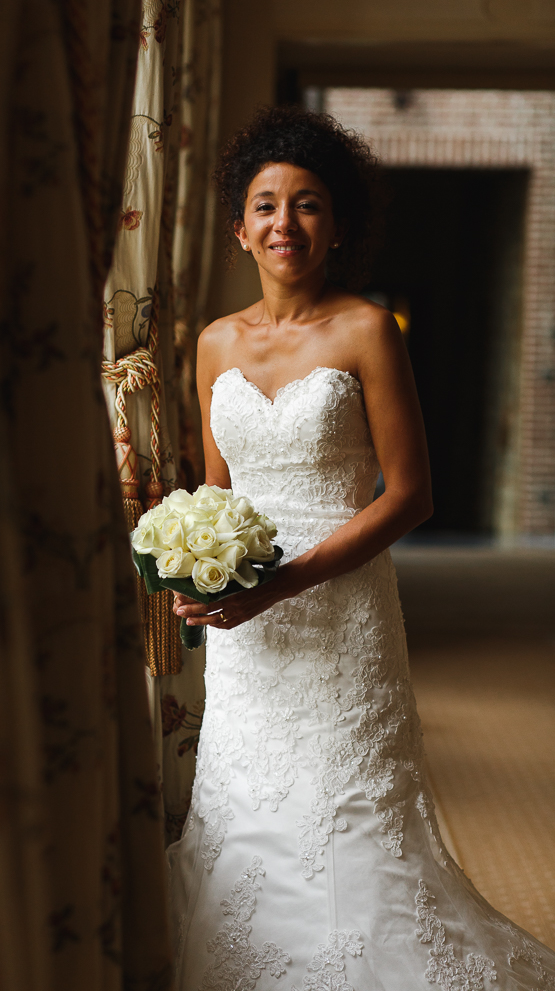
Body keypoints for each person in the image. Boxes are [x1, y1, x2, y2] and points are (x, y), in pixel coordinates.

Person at [166, 105, 555, 991]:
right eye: (265, 205)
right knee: (243, 804)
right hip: (247, 627)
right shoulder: (213, 342)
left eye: (307, 204)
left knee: (345, 806)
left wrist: (286, 580)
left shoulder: (366, 331)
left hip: (339, 608)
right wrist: (198, 574)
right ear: (238, 229)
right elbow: (217, 493)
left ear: (337, 226)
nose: (284, 223)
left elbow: (411, 495)